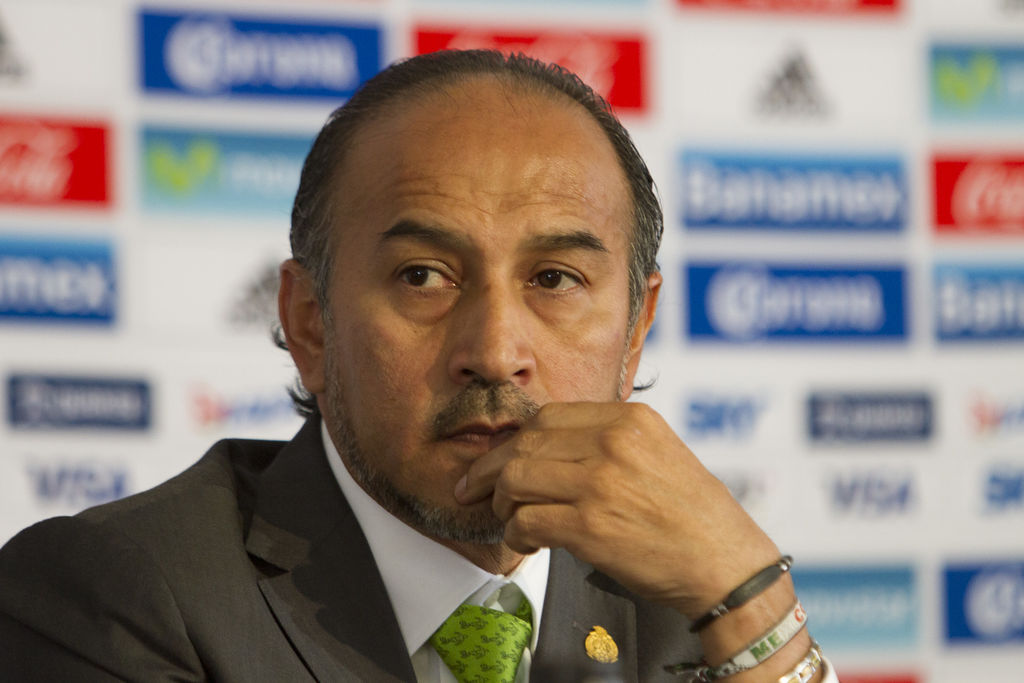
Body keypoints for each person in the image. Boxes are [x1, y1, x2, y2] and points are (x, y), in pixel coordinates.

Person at [0, 50, 836, 682]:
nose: (496, 352)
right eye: (424, 277)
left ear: (636, 328)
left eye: (554, 280)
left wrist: (752, 603)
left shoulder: (699, 599)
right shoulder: (121, 592)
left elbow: (741, 610)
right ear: (310, 322)